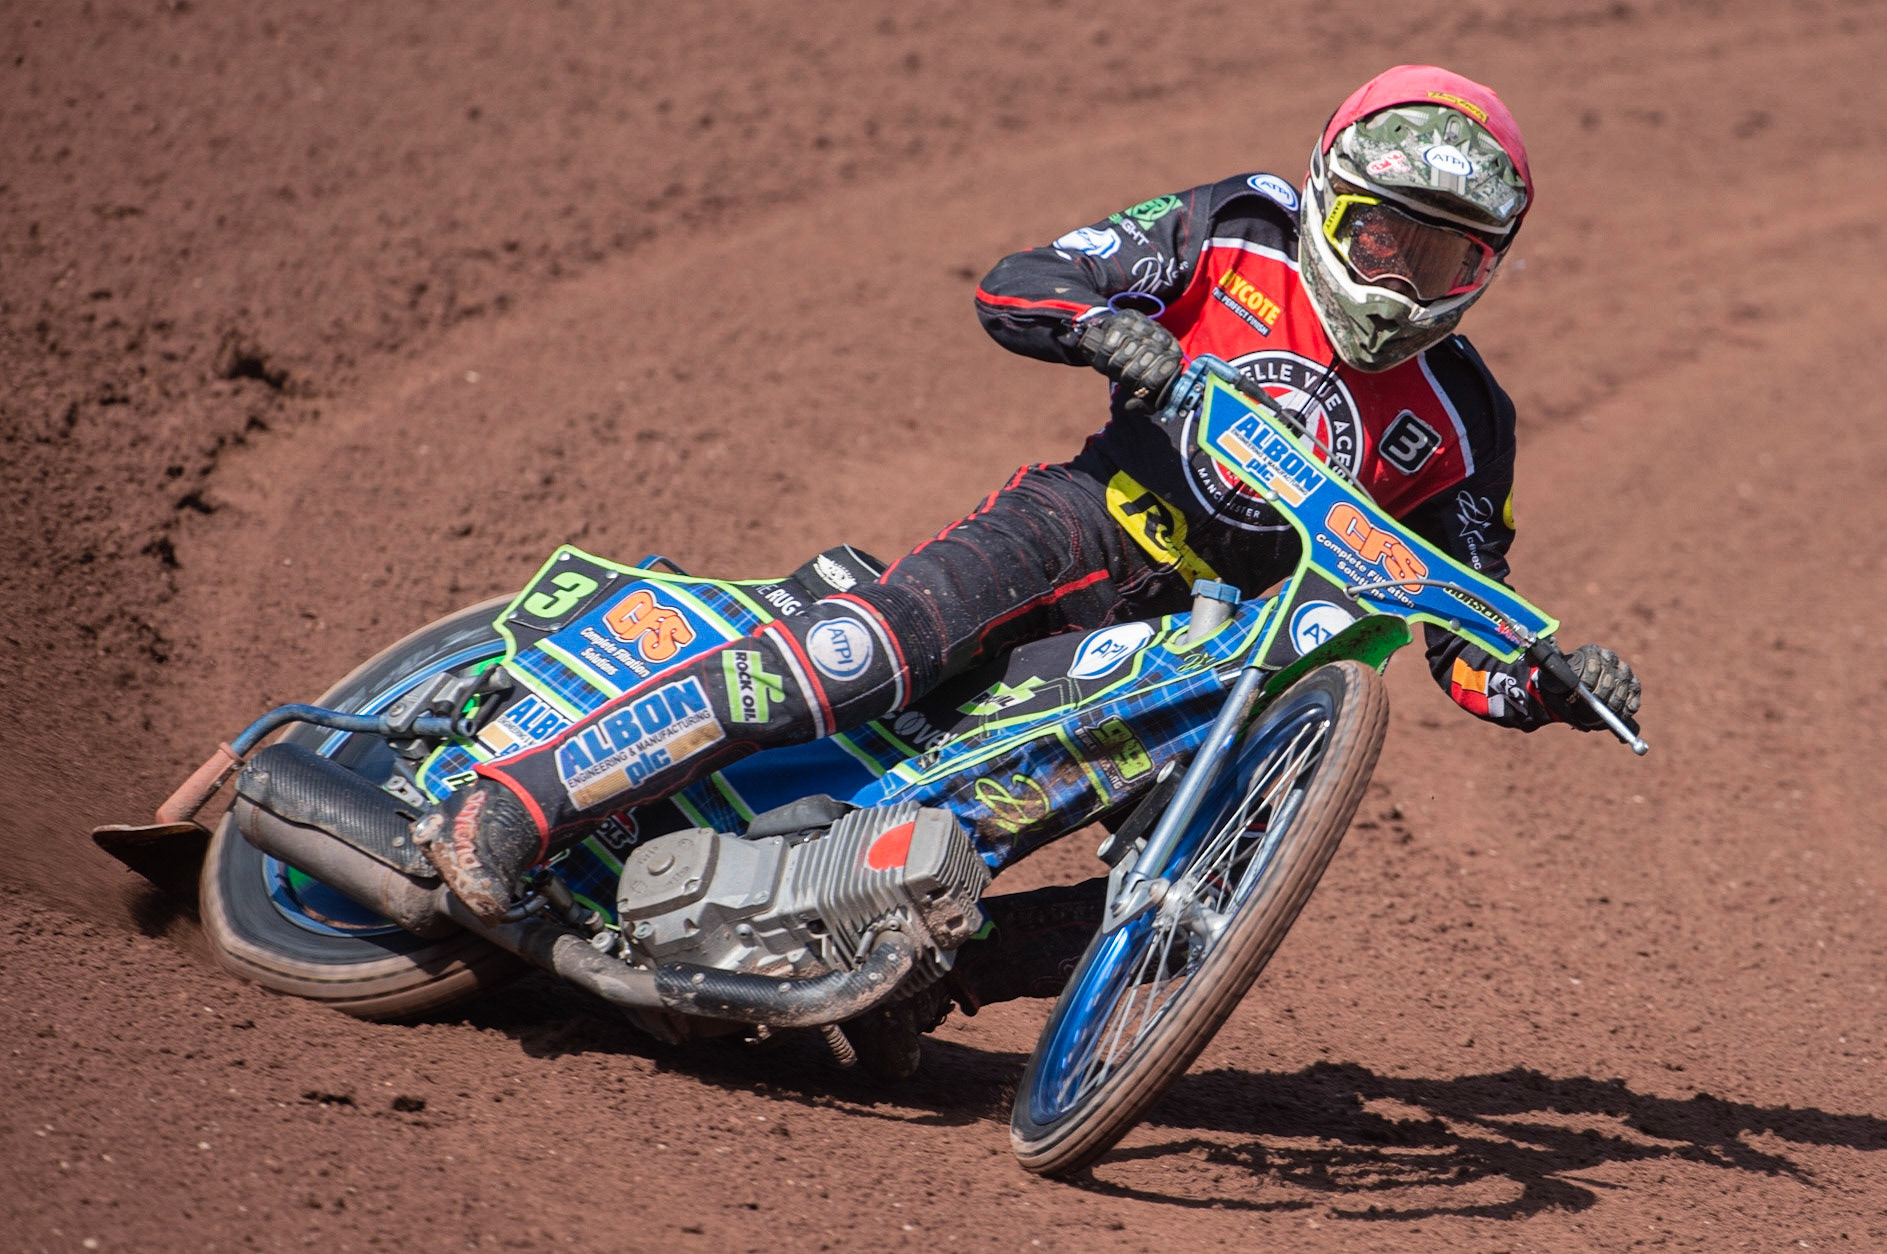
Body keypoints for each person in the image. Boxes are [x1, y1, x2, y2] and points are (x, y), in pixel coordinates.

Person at [416, 65, 1641, 1003]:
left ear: (1492, 263)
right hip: (1086, 529)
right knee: (865, 653)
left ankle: (905, 976)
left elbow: (1464, 621)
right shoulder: (1232, 228)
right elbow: (1025, 278)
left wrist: (1549, 685)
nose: (1409, 275)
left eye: (1449, 254)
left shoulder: (1468, 421)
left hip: (1222, 656)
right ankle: (517, 804)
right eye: (1388, 239)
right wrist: (1106, 330)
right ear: (1333, 197)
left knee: (1206, 891)